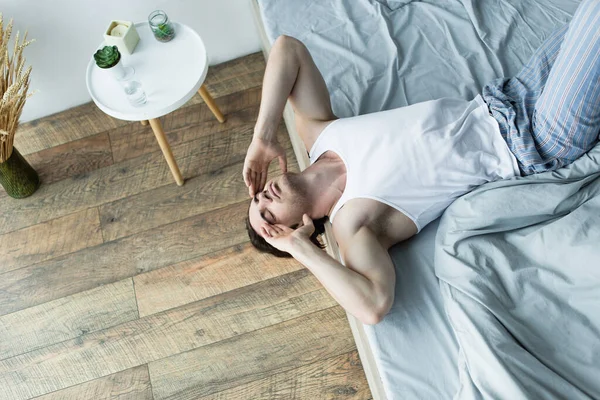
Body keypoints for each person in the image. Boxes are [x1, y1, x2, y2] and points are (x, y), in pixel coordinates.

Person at [243, 0, 600, 325]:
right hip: (536, 137)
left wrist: (263, 136)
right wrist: (301, 251)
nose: (264, 200)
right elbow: (373, 306)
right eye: (270, 219)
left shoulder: (318, 133)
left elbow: (288, 48)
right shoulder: (352, 224)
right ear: (296, 228)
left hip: (511, 92)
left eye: (257, 200)